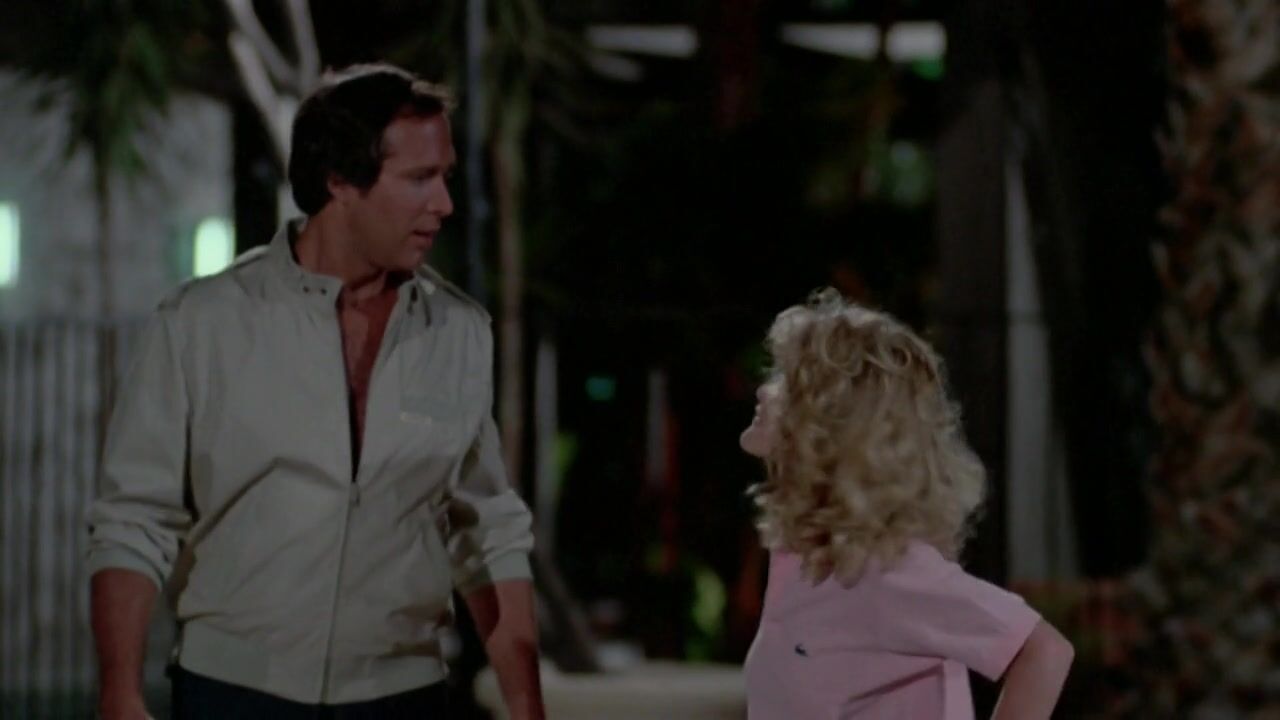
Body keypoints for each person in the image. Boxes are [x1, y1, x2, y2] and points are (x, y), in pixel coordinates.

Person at [87, 63, 544, 720]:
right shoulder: (203, 323)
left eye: (444, 176)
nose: (444, 203)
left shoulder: (459, 333)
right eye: (420, 178)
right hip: (233, 696)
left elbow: (488, 532)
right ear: (340, 182)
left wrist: (527, 707)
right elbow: (133, 519)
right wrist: (119, 692)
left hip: (401, 698)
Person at [740, 290, 1074, 719]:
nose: (764, 390)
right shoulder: (811, 558)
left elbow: (1044, 652)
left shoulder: (884, 570)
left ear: (836, 418)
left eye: (789, 381)